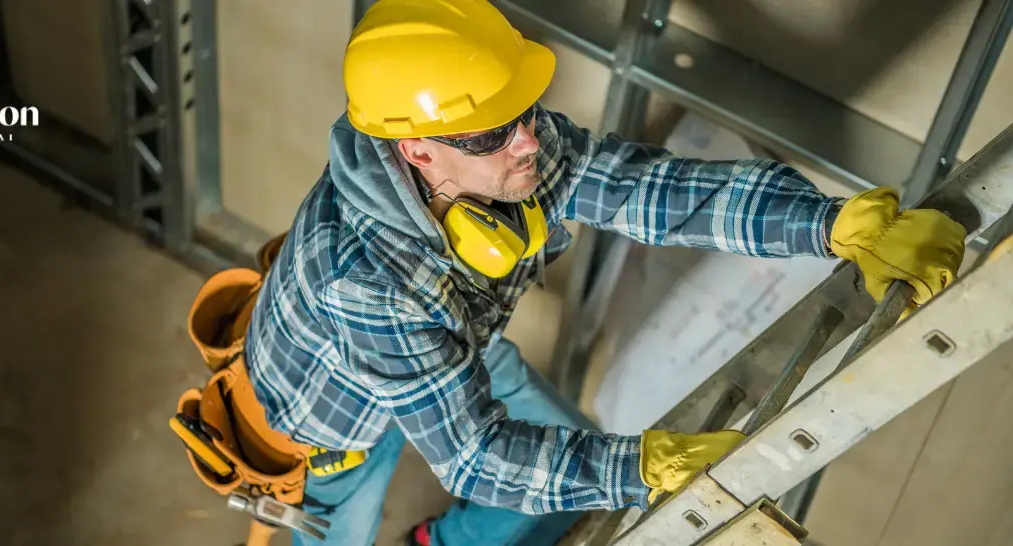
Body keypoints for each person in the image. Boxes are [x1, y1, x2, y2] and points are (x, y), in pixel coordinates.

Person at [243, 1, 966, 544]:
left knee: (557, 486)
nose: (528, 138)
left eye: (522, 109)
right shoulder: (366, 280)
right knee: (346, 528)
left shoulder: (510, 152)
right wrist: (640, 466)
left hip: (450, 345)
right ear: (415, 151)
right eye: (492, 130)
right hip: (333, 419)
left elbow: (649, 191)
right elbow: (475, 457)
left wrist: (830, 226)